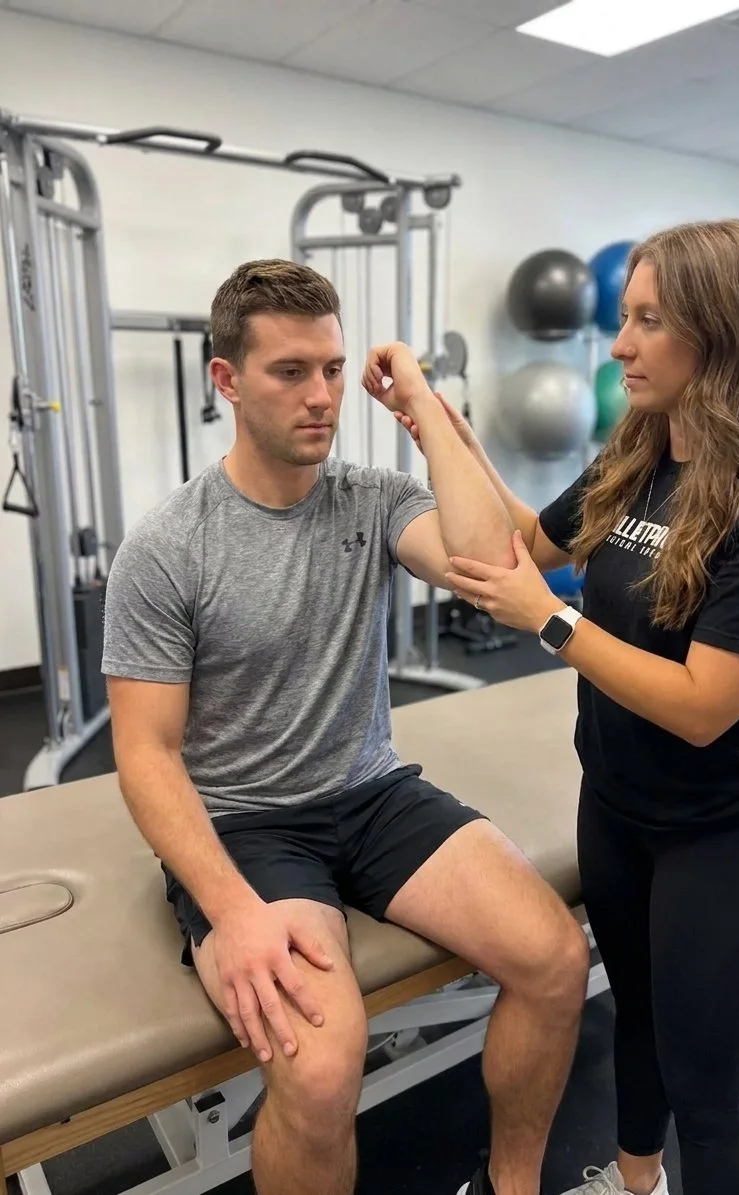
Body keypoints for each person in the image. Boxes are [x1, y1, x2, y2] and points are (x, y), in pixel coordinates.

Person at [100, 258, 591, 1195]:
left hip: (372, 793)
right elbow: (145, 753)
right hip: (246, 825)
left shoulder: (369, 499)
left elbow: (495, 561)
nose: (322, 395)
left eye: (332, 368)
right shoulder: (168, 549)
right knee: (322, 1070)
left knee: (554, 957)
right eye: (291, 371)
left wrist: (420, 399)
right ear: (227, 380)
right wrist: (234, 911)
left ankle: (511, 1186)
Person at [391, 218, 739, 1195]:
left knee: (705, 1083)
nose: (620, 343)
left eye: (647, 321)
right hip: (618, 807)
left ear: (718, 332)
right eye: (623, 315)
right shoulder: (634, 456)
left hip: (720, 835)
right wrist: (434, 416)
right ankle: (633, 1183)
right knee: (632, 1023)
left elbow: (700, 707)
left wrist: (548, 623)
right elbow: (527, 537)